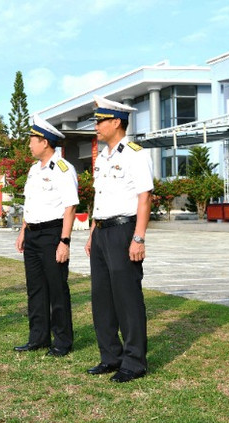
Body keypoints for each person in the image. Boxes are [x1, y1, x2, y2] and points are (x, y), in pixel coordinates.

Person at [84, 95, 153, 383]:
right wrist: (91, 233)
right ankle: (110, 357)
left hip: (124, 231)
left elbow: (145, 196)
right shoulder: (103, 157)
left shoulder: (134, 153)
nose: (96, 127)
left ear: (116, 122)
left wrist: (138, 237)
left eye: (100, 121)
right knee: (102, 298)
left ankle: (134, 361)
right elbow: (100, 200)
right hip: (101, 231)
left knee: (127, 298)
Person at [14, 114, 78, 356]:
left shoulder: (63, 169)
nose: (29, 144)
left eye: (32, 139)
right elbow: (30, 205)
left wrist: (64, 241)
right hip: (32, 234)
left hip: (53, 234)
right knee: (36, 289)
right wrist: (23, 231)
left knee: (57, 289)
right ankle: (37, 337)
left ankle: (62, 341)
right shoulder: (33, 170)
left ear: (45, 142)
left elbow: (70, 207)